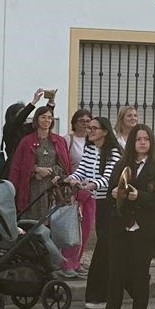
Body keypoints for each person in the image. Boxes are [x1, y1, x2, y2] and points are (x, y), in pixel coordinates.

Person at [91, 124, 155, 309]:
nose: (142, 143)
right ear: (132, 143)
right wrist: (114, 193)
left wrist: (140, 196)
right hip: (121, 227)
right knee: (115, 275)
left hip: (144, 228)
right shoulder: (121, 165)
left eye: (146, 139)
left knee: (139, 275)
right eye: (138, 139)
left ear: (151, 142)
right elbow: (110, 193)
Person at [74, 116, 121, 309]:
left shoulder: (114, 152)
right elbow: (81, 170)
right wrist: (70, 179)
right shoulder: (90, 149)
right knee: (105, 247)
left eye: (94, 128)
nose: (90, 131)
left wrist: (93, 184)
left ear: (105, 132)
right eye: (89, 128)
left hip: (113, 204)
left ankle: (101, 294)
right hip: (99, 203)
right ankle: (103, 293)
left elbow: (109, 177)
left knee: (104, 248)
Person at [8, 105, 71, 219]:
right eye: (43, 117)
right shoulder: (26, 141)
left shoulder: (59, 141)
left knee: (53, 220)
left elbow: (65, 165)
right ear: (36, 119)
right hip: (33, 188)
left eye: (49, 117)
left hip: (54, 186)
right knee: (32, 220)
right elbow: (18, 166)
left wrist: (51, 170)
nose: (46, 120)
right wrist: (35, 169)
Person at [61, 109, 96, 276]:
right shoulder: (68, 140)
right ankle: (67, 263)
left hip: (90, 190)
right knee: (72, 228)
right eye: (82, 121)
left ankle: (77, 261)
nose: (85, 124)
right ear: (75, 122)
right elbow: (63, 162)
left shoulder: (94, 142)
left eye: (88, 121)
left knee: (86, 228)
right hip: (73, 190)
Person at [0, 89, 48, 183]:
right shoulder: (9, 128)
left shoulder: (26, 128)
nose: (25, 116)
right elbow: (18, 121)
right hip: (13, 168)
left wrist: (50, 104)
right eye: (21, 112)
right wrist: (33, 102)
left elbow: (42, 121)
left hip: (26, 166)